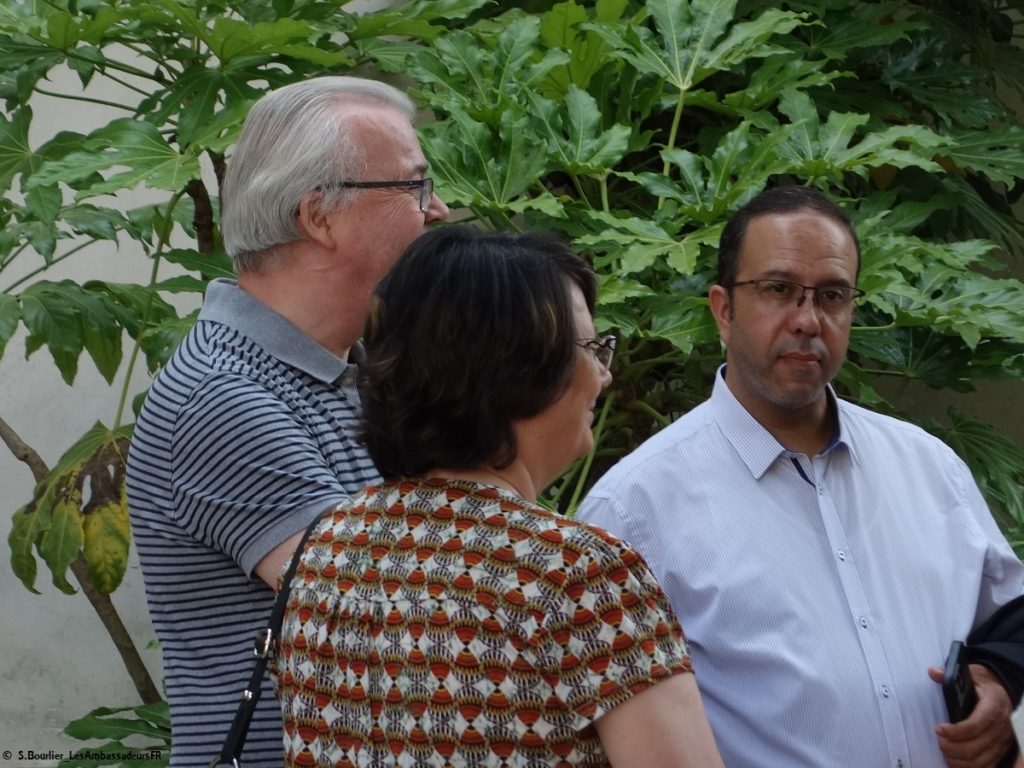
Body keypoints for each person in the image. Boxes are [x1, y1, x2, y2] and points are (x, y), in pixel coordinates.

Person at [577, 185, 1024, 768]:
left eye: (832, 296)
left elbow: (1011, 613)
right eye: (778, 290)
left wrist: (1001, 683)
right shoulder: (634, 508)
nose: (808, 320)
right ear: (723, 309)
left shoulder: (929, 466)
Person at [273, 227, 725, 767]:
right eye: (592, 347)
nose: (604, 374)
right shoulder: (576, 575)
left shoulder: (324, 551)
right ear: (519, 366)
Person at [126, 76, 449, 767]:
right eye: (415, 187)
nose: (439, 210)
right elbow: (405, 619)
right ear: (319, 217)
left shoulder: (343, 368)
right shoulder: (222, 396)